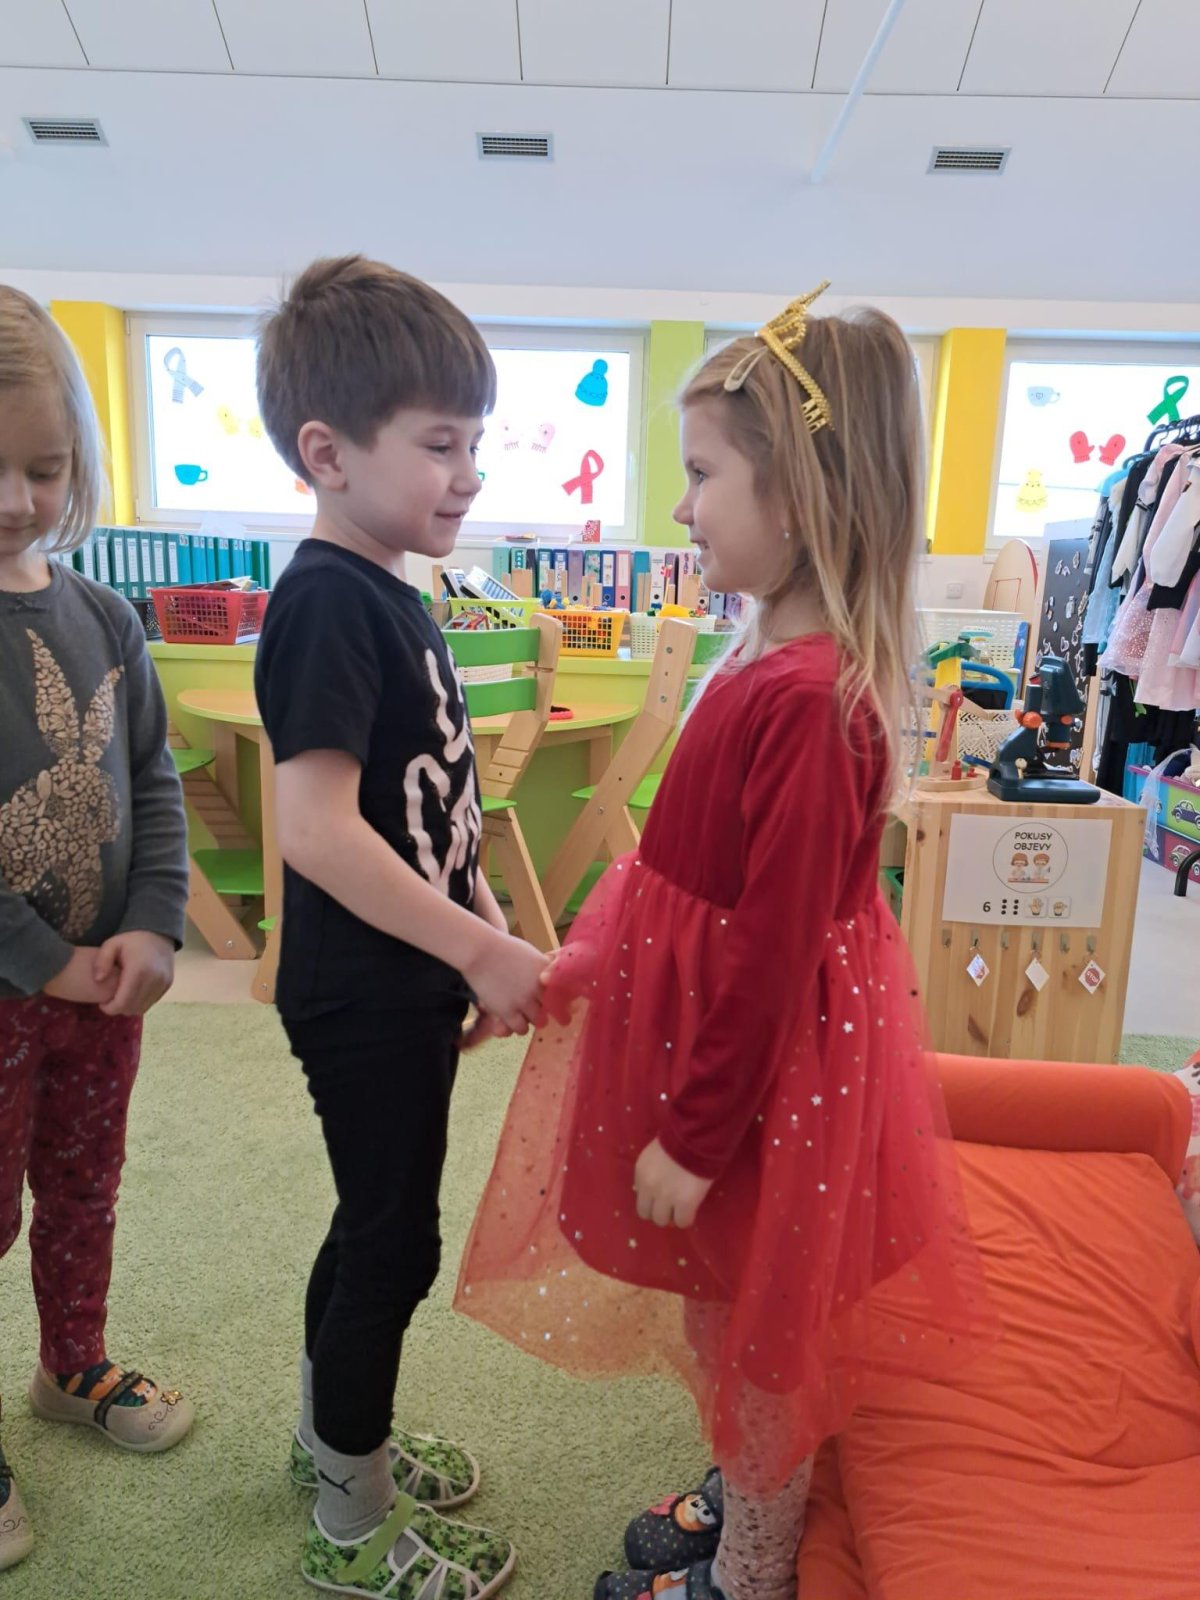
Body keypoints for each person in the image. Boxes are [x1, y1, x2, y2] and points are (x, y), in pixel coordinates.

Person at [455, 286, 993, 1600]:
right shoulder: (760, 660)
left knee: (760, 1328)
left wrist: (696, 1138)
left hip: (757, 1088)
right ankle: (744, 1488)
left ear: (799, 499)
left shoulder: (812, 705)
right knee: (728, 1306)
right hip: (735, 1068)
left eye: (703, 476)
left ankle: (749, 1573)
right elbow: (670, 881)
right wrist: (573, 971)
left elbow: (767, 955)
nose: (683, 506)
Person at [255, 256, 552, 1598]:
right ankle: (351, 1518)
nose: (468, 473)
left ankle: (332, 1442)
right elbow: (318, 829)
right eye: (439, 444)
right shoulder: (325, 599)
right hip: (360, 991)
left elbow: (436, 807)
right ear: (328, 454)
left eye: (475, 444)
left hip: (407, 978)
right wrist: (476, 951)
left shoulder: (394, 589)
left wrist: (480, 928)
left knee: (370, 1217)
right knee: (394, 1239)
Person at [0, 287, 194, 1571]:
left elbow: (154, 780)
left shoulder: (108, 619)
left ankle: (72, 1363)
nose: (17, 500)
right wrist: (44, 961)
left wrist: (156, 927)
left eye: (44, 467)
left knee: (83, 1181)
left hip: (99, 992)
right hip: (15, 986)